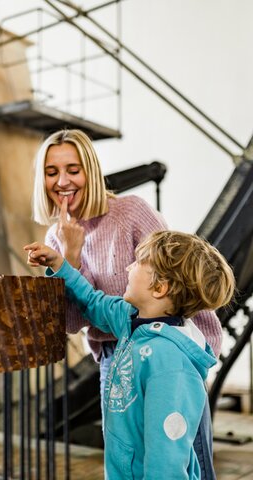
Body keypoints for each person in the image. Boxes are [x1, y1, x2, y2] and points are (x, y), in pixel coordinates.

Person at [32, 128, 223, 478]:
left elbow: (180, 276)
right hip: (115, 357)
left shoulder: (131, 213)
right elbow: (75, 318)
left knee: (176, 453)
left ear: (89, 170)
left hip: (169, 352)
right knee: (125, 454)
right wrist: (69, 255)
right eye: (51, 172)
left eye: (73, 169)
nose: (62, 181)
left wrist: (198, 354)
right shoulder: (55, 237)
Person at [24, 230, 235, 479]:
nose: (127, 267)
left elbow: (166, 462)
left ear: (159, 287)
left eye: (137, 263)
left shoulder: (171, 364)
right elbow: (92, 301)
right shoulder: (131, 319)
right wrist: (60, 265)